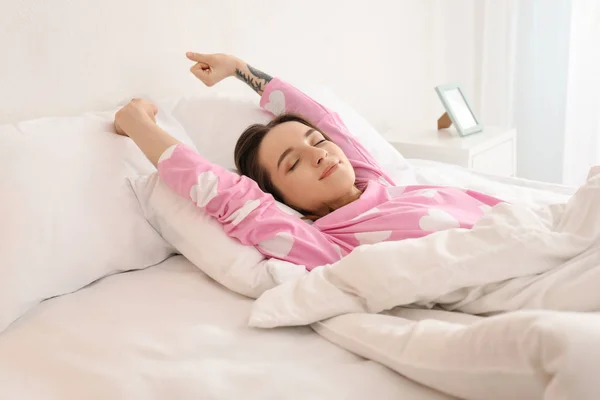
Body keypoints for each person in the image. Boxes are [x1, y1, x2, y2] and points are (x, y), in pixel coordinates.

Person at [113, 52, 504, 270]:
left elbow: (323, 119)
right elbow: (227, 196)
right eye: (292, 163)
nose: (318, 154)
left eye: (317, 143)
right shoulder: (326, 243)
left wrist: (239, 70)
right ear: (284, 199)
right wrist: (138, 123)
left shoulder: (375, 180)